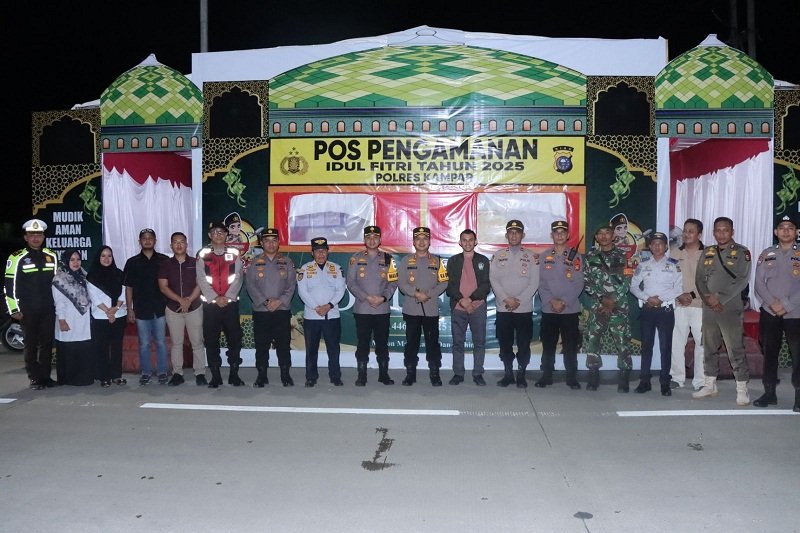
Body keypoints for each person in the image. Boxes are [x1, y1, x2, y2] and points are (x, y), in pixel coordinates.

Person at [693, 217, 752, 405]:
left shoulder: (742, 252)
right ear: (713, 232)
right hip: (709, 307)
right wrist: (708, 299)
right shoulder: (707, 252)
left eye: (725, 230)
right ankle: (710, 384)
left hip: (730, 307)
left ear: (732, 232)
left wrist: (719, 298)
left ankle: (742, 388)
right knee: (709, 346)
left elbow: (742, 279)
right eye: (718, 230)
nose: (721, 234)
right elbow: (699, 279)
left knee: (735, 348)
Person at [4, 219, 58, 389]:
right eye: (32, 235)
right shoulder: (17, 257)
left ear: (43, 237)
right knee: (31, 344)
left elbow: (57, 283)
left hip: (48, 307)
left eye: (39, 235)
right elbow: (9, 285)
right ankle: (34, 378)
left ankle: (45, 377)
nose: (36, 238)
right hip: (27, 309)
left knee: (47, 344)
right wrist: (13, 309)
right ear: (26, 237)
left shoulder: (52, 255)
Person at [753, 215, 800, 411]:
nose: (786, 231)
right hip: (770, 312)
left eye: (790, 227)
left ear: (797, 232)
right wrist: (773, 304)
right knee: (770, 352)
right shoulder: (767, 253)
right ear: (776, 232)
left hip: (796, 313)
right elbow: (758, 283)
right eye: (782, 227)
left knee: (798, 355)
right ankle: (769, 393)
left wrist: (786, 305)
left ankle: (799, 396)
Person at [630, 232, 683, 396]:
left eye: (660, 244)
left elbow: (678, 288)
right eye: (654, 244)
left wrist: (660, 299)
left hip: (665, 311)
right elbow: (633, 286)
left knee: (665, 347)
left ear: (666, 246)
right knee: (646, 347)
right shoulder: (643, 265)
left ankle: (665, 383)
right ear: (650, 246)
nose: (657, 246)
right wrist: (647, 298)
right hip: (648, 310)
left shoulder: (674, 265)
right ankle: (644, 381)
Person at [582, 224, 634, 391]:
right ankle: (593, 376)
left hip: (619, 307)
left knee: (622, 342)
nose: (604, 236)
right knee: (593, 341)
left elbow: (628, 280)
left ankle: (624, 377)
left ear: (613, 236)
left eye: (607, 233)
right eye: (600, 234)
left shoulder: (624, 256)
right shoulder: (590, 258)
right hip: (598, 306)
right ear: (596, 238)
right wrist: (602, 299)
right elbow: (586, 282)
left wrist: (613, 301)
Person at [345, 226, 398, 386]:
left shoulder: (389, 258)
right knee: (363, 343)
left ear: (380, 240)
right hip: (363, 308)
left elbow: (393, 282)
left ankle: (384, 374)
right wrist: (366, 297)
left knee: (382, 343)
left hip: (382, 308)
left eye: (375, 237)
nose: (372, 240)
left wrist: (383, 298)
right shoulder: (355, 259)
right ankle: (362, 375)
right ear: (364, 240)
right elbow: (351, 283)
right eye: (369, 237)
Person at [244, 228, 297, 387]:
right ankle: (262, 375)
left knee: (283, 345)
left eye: (274, 241)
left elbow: (291, 286)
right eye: (267, 241)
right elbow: (250, 285)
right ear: (262, 243)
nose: (271, 244)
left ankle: (285, 375)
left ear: (279, 243)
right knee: (261, 345)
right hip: (262, 311)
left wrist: (279, 301)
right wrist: (266, 302)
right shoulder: (255, 262)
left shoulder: (287, 262)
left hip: (281, 310)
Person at [489, 220, 539, 388]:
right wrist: (506, 299)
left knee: (524, 344)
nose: (514, 235)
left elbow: (534, 282)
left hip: (523, 309)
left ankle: (521, 374)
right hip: (503, 308)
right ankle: (508, 373)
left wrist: (519, 301)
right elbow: (493, 279)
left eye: (517, 232)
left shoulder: (531, 257)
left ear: (523, 235)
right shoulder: (498, 255)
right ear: (506, 235)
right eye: (511, 232)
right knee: (505, 343)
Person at [397, 227, 448, 386]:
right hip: (412, 309)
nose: (421, 242)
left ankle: (435, 373)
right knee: (411, 343)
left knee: (433, 343)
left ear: (429, 241)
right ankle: (410, 374)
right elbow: (402, 283)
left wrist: (429, 294)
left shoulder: (437, 261)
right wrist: (416, 293)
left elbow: (444, 282)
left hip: (430, 309)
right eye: (418, 238)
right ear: (413, 242)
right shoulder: (406, 261)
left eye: (424, 238)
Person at [536, 220, 584, 390]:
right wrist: (552, 301)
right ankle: (546, 375)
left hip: (569, 309)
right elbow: (540, 283)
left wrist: (564, 302)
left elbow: (579, 283)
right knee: (548, 345)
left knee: (570, 345)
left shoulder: (575, 256)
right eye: (556, 232)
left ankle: (571, 377)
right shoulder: (544, 256)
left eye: (562, 232)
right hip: (549, 308)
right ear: (552, 235)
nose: (559, 235)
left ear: (568, 235)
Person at [197, 221, 244, 388]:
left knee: (235, 340)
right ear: (209, 235)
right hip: (211, 306)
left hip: (230, 305)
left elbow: (238, 277)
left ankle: (234, 375)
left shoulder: (234, 253)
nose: (218, 235)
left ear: (226, 235)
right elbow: (201, 279)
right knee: (211, 341)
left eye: (222, 232)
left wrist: (228, 297)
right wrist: (215, 298)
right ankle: (215, 376)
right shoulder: (203, 254)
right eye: (215, 232)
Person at [158, 232, 207, 387]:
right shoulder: (165, 264)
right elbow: (163, 287)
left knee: (197, 342)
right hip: (173, 309)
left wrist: (189, 300)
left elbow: (201, 283)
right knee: (176, 343)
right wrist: (180, 300)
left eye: (182, 242)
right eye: (175, 242)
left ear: (187, 244)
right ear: (171, 245)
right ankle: (177, 373)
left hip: (194, 307)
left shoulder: (196, 262)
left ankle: (200, 373)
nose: (179, 245)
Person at [297, 237, 346, 387]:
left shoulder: (336, 268)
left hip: (332, 315)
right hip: (312, 316)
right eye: (317, 251)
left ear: (327, 252)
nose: (320, 254)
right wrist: (317, 307)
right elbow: (302, 292)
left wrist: (329, 306)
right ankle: (311, 377)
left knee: (334, 348)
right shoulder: (304, 269)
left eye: (323, 251)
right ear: (312, 253)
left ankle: (335, 376)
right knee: (311, 349)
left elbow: (340, 290)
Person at [123, 228, 169, 385]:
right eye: (144, 238)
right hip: (141, 310)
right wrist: (130, 309)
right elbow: (128, 287)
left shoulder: (164, 260)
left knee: (161, 342)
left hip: (160, 308)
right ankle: (146, 373)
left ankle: (162, 372)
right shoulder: (132, 262)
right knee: (144, 344)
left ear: (155, 241)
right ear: (139, 242)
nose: (147, 240)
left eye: (150, 238)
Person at [445, 229, 490, 386]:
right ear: (460, 242)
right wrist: (462, 301)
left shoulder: (483, 260)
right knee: (458, 342)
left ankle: (478, 373)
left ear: (475, 242)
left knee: (479, 342)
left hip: (478, 307)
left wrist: (470, 300)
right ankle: (458, 373)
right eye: (464, 240)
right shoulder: (453, 261)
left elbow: (486, 285)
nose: (468, 243)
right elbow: (449, 285)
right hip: (458, 307)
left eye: (471, 240)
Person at [669, 219, 706, 390]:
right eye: (685, 231)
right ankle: (677, 378)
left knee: (702, 344)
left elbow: (710, 281)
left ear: (699, 234)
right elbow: (668, 279)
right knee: (677, 342)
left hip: (701, 306)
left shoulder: (708, 254)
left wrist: (690, 295)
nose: (686, 234)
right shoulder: (674, 253)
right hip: (679, 305)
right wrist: (678, 295)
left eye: (691, 231)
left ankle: (701, 381)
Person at [86, 246, 127, 388]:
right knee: (101, 348)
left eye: (109, 256)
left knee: (117, 347)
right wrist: (108, 312)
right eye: (103, 256)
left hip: (119, 314)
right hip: (100, 317)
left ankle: (116, 375)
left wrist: (115, 309)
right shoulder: (91, 276)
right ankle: (104, 376)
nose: (106, 259)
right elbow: (94, 298)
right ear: (98, 258)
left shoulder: (119, 274)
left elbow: (124, 293)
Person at [52, 249, 93, 386]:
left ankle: (83, 378)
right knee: (69, 348)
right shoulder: (59, 279)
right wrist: (62, 320)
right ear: (66, 261)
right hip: (68, 318)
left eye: (78, 259)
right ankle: (68, 379)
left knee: (83, 347)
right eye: (72, 260)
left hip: (84, 320)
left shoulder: (84, 275)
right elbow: (59, 302)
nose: (76, 262)